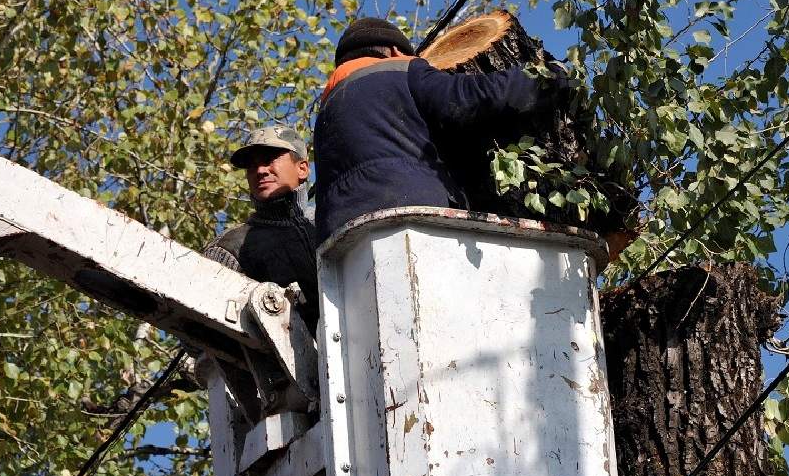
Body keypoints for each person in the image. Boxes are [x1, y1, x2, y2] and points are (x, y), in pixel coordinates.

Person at [313, 17, 568, 244]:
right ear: (393, 51)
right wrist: (549, 77)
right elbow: (473, 97)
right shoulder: (403, 70)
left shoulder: (328, 108)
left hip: (339, 236)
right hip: (412, 218)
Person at [204, 125, 319, 332]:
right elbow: (198, 335)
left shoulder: (331, 224)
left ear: (302, 168)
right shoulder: (229, 248)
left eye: (269, 159)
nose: (260, 170)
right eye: (251, 166)